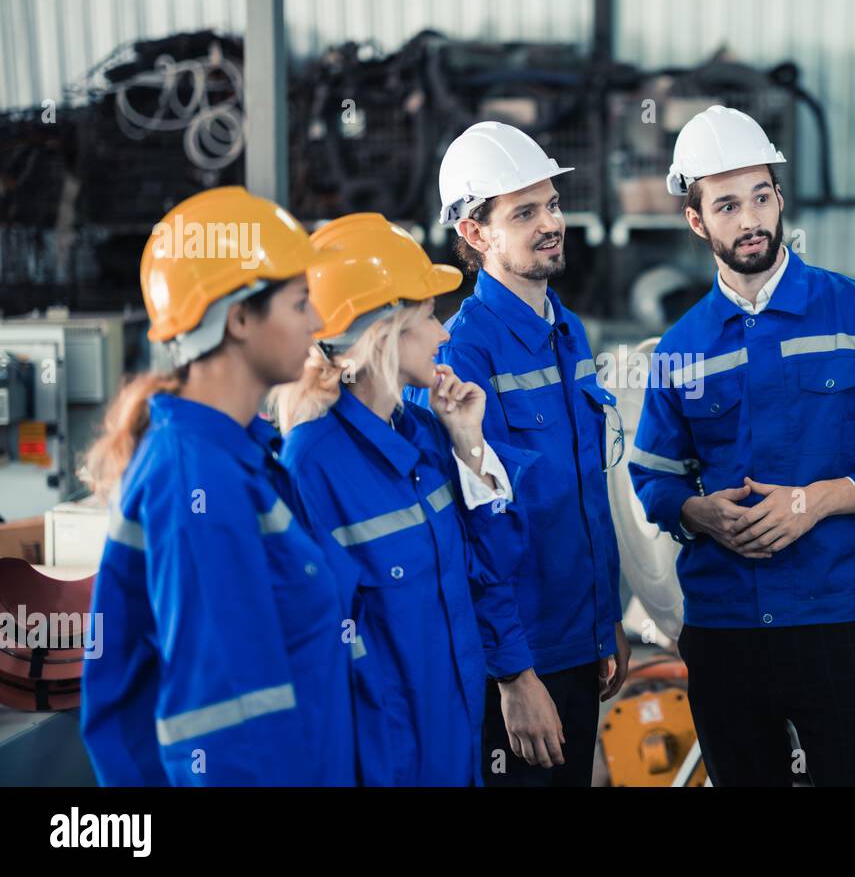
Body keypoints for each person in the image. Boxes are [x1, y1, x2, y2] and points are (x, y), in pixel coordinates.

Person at [629, 106, 855, 786]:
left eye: (761, 196)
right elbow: (654, 480)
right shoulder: (681, 347)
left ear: (779, 199)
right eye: (726, 204)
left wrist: (819, 501)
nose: (750, 218)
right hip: (722, 631)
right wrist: (699, 513)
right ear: (697, 221)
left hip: (833, 622)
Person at [80, 187, 359, 786]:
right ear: (237, 318)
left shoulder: (238, 458)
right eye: (299, 302)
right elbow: (225, 727)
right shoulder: (197, 481)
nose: (317, 322)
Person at [272, 213, 534, 786]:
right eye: (428, 317)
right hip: (383, 764)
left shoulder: (424, 430)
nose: (445, 333)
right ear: (385, 332)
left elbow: (493, 564)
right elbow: (312, 655)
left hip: (455, 744)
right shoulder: (310, 465)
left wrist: (469, 446)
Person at [407, 121, 629, 786]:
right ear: (475, 234)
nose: (551, 223)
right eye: (524, 212)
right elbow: (471, 524)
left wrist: (606, 618)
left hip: (579, 639)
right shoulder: (461, 353)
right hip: (520, 655)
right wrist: (513, 673)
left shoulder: (569, 329)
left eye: (553, 204)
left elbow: (587, 488)